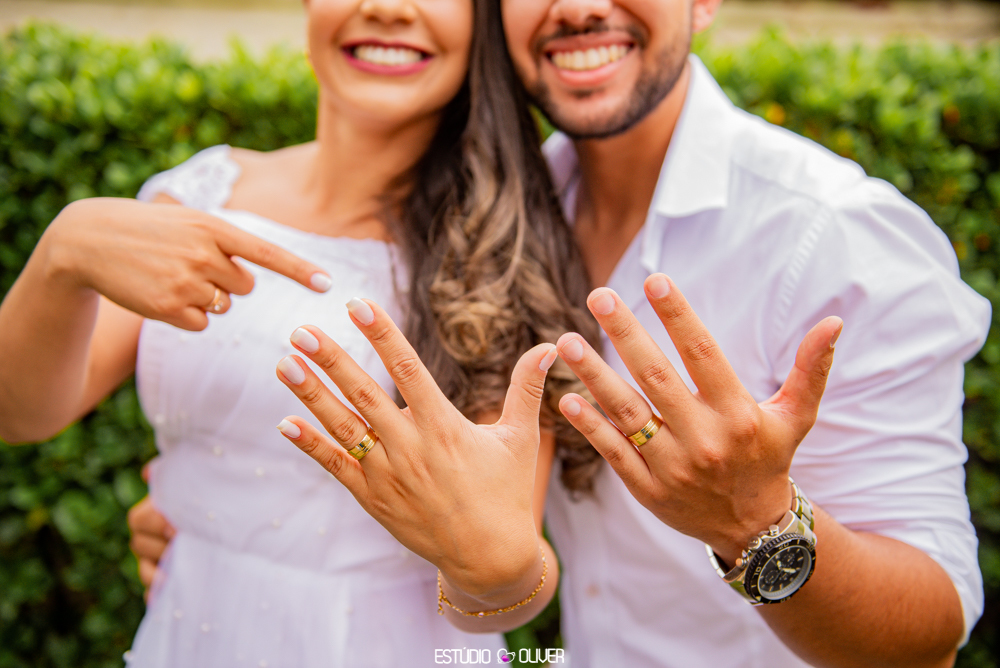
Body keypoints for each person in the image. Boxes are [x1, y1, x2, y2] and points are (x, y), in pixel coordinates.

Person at [131, 0, 991, 667]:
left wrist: (755, 522)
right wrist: (239, 530)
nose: (578, 6)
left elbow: (928, 640)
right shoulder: (501, 221)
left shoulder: (836, 236)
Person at [0, 0, 601, 665]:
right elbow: (21, 413)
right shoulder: (203, 192)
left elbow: (508, 582)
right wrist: (62, 257)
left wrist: (498, 570)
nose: (385, 9)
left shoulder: (499, 248)